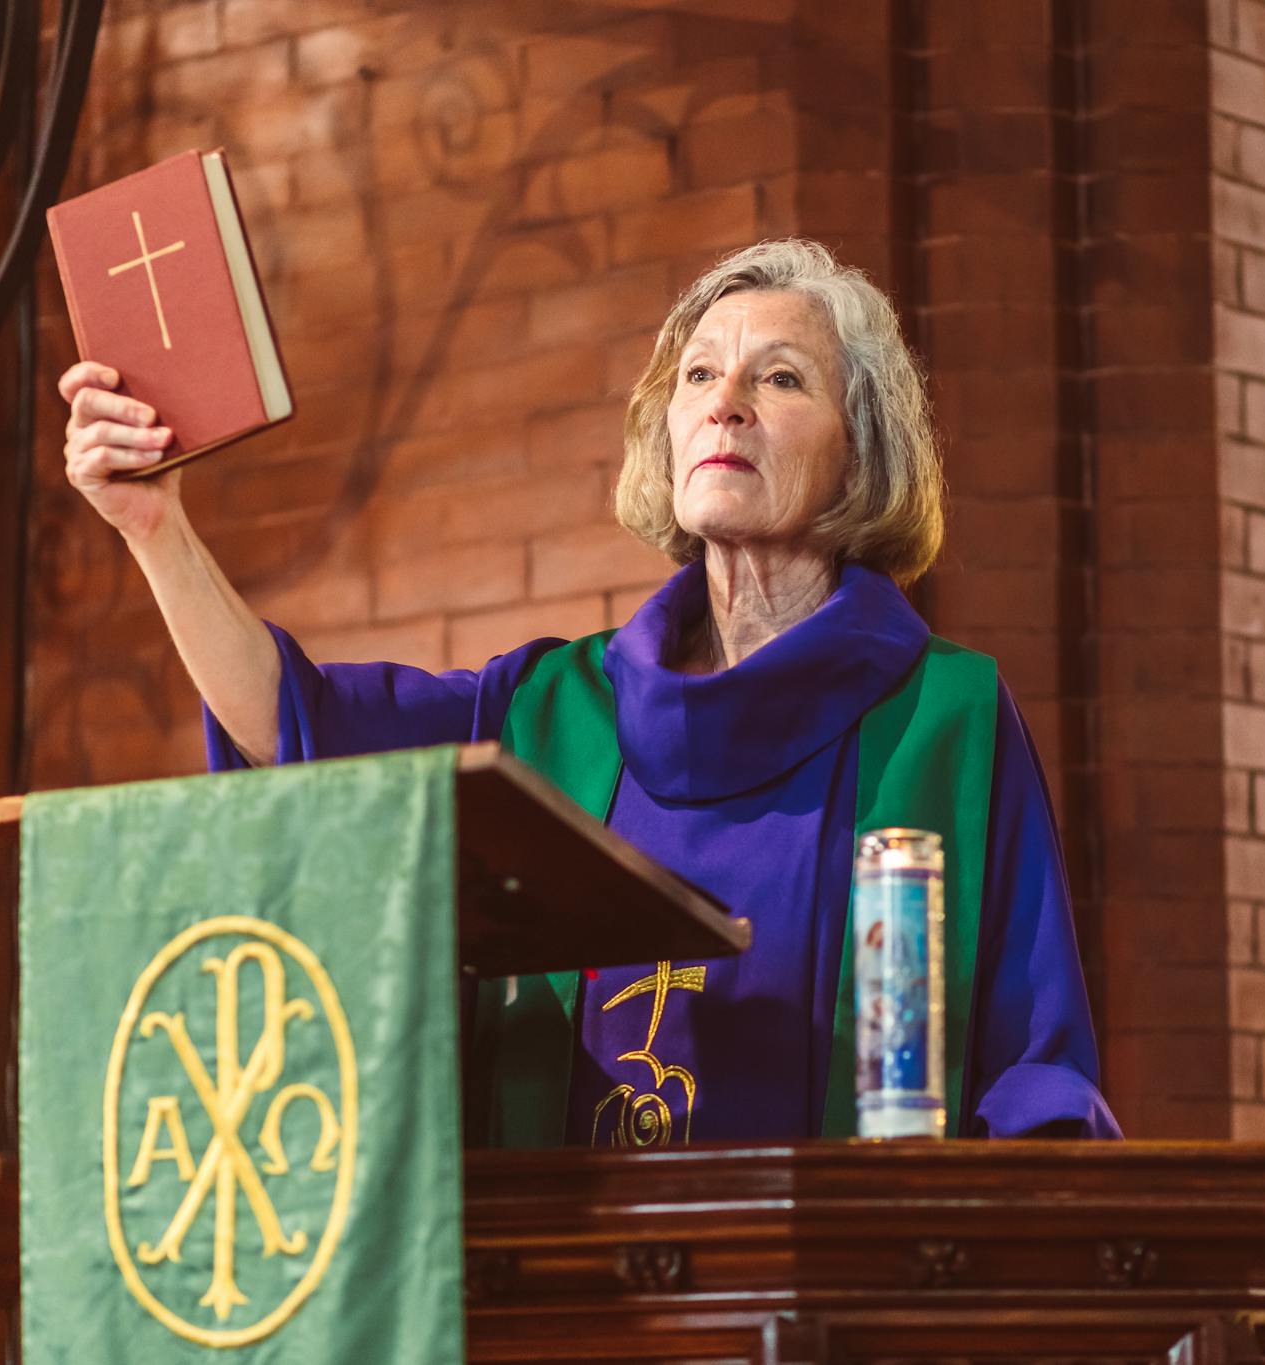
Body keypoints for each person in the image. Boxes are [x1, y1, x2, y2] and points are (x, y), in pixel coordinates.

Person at [59, 238, 1121, 1145]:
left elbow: (1032, 1068)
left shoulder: (941, 722)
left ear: (862, 453)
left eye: (781, 379)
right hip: (562, 1286)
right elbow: (294, 733)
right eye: (698, 378)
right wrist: (156, 531)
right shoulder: (552, 709)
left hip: (829, 1293)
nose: (727, 407)